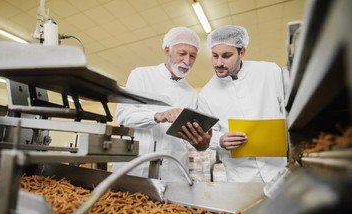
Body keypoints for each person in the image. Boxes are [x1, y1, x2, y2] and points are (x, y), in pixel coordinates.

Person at [114, 27, 210, 182]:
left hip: (173, 171)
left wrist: (201, 143)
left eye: (193, 56)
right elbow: (124, 115)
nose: (187, 61)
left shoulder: (191, 94)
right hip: (136, 167)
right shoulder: (141, 75)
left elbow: (188, 140)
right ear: (167, 50)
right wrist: (159, 116)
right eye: (182, 54)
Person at [197, 25, 287, 183]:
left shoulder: (269, 72)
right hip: (242, 177)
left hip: (278, 169)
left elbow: (290, 109)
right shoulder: (206, 94)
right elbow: (205, 135)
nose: (219, 63)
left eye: (226, 56)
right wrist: (220, 140)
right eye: (215, 56)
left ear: (242, 52)